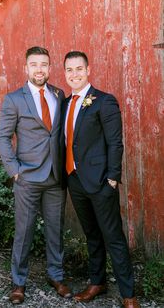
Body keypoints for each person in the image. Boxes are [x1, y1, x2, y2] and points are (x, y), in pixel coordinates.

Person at [62, 50, 140, 308]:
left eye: (79, 69)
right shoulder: (65, 103)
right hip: (75, 180)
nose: (74, 74)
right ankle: (98, 282)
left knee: (113, 236)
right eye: (69, 70)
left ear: (88, 70)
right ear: (65, 73)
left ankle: (128, 295)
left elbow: (115, 143)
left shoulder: (104, 101)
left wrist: (113, 179)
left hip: (101, 182)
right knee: (91, 234)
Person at [0, 46, 72, 304]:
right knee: (24, 231)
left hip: (55, 177)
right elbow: (2, 138)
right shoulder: (14, 99)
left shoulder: (59, 95)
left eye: (44, 64)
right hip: (27, 177)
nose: (39, 69)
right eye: (34, 64)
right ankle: (19, 282)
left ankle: (56, 275)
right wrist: (14, 171)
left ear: (50, 68)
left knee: (55, 229)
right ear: (26, 68)